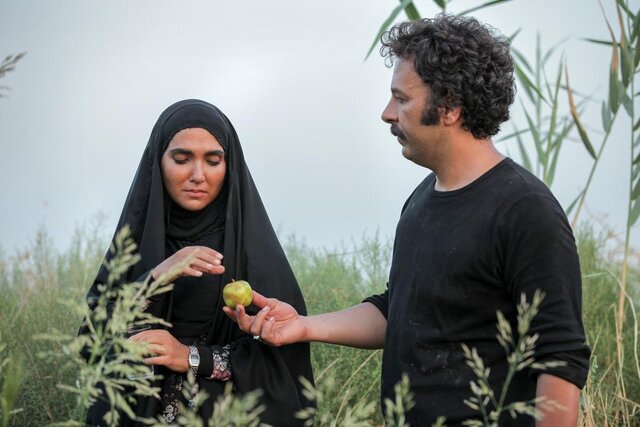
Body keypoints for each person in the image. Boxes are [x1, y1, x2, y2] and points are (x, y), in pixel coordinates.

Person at [226, 15, 590, 426]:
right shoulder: (422, 199)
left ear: (449, 106)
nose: (386, 114)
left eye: (401, 99)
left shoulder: (524, 210)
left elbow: (559, 360)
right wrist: (303, 326)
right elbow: (397, 312)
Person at [79, 99, 313, 426]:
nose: (198, 175)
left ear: (229, 166)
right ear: (157, 162)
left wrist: (190, 357)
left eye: (213, 160)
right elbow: (92, 344)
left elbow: (282, 360)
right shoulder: (137, 243)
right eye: (181, 159)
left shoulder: (250, 250)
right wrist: (156, 278)